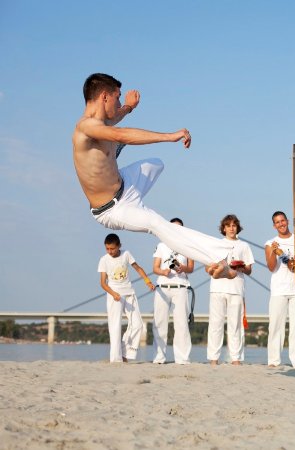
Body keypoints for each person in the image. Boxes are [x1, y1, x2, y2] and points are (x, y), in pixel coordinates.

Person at [72, 73, 235, 279]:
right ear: (105, 96)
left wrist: (129, 107)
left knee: (156, 164)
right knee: (156, 223)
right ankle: (217, 261)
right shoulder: (86, 127)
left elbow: (116, 116)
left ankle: (119, 160)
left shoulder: (104, 120)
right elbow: (122, 134)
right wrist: (170, 136)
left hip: (125, 184)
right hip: (112, 209)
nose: (120, 102)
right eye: (118, 97)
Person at [264, 211, 295, 368]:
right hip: (279, 288)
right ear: (274, 225)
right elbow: (271, 267)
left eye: (283, 221)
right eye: (277, 222)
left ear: (287, 221)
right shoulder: (270, 243)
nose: (281, 224)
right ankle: (273, 360)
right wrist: (273, 251)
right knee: (276, 325)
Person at [98, 233, 154, 363]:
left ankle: (124, 352)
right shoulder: (104, 260)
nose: (110, 251)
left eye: (112, 248)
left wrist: (148, 281)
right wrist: (113, 294)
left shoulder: (126, 254)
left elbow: (138, 268)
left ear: (119, 246)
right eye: (107, 249)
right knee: (115, 326)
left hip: (129, 293)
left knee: (138, 324)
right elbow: (102, 283)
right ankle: (116, 360)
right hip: (114, 295)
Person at [208, 214, 255, 366]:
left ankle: (236, 359)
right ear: (223, 228)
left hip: (237, 289)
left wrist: (240, 267)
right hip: (217, 288)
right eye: (228, 225)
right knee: (216, 324)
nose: (231, 228)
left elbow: (249, 270)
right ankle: (214, 359)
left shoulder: (244, 246)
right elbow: (208, 266)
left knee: (235, 325)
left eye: (234, 225)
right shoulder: (216, 244)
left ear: (237, 228)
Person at [151, 218, 194, 365]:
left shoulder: (187, 245)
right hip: (163, 287)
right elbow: (155, 267)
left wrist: (183, 268)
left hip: (181, 286)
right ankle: (159, 357)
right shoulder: (161, 245)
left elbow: (191, 268)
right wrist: (163, 272)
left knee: (181, 324)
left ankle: (182, 358)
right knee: (159, 323)